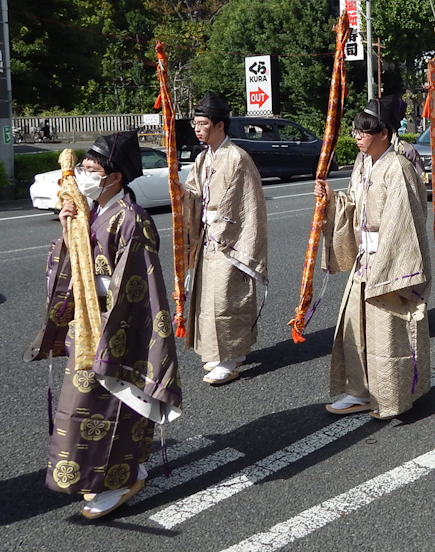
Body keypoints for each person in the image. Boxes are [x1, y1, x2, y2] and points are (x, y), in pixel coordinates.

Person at [25, 131, 182, 519]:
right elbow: (70, 264)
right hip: (87, 321)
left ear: (114, 177)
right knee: (84, 407)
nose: (82, 174)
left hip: (116, 324)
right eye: (82, 167)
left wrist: (113, 328)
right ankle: (121, 469)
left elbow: (139, 285)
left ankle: (121, 478)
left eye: (91, 168)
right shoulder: (89, 211)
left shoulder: (132, 219)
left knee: (108, 405)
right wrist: (67, 232)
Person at [315, 103, 433, 417]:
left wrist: (385, 264)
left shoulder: (398, 166)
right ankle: (359, 391)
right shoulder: (364, 163)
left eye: (364, 132)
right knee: (356, 327)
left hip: (389, 262)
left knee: (387, 331)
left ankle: (395, 394)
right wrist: (332, 198)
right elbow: (353, 205)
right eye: (355, 131)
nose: (357, 137)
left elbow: (403, 222)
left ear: (383, 133)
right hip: (365, 259)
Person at [182, 92, 268, 385]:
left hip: (231, 238)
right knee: (208, 297)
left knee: (226, 301)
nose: (197, 128)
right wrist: (181, 195)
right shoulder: (203, 158)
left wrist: (229, 234)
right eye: (196, 123)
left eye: (203, 123)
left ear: (220, 126)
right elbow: (193, 194)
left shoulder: (237, 158)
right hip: (209, 236)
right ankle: (225, 352)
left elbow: (248, 204)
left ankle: (229, 359)